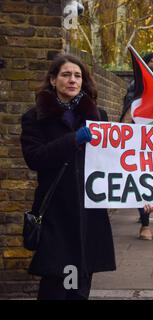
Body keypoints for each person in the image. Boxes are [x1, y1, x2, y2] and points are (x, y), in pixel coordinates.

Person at [20, 54, 116, 299]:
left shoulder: (99, 117)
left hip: (88, 210)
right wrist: (73, 139)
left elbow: (115, 160)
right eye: (65, 75)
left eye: (77, 76)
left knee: (80, 282)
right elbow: (35, 158)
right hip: (56, 210)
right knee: (56, 282)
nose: (72, 80)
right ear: (53, 80)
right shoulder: (35, 117)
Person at [120, 65, 153, 240]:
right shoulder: (135, 102)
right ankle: (145, 224)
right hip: (140, 153)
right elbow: (125, 126)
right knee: (142, 186)